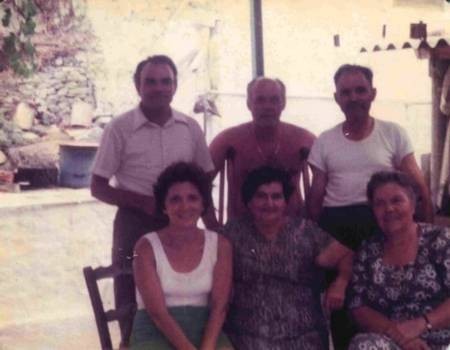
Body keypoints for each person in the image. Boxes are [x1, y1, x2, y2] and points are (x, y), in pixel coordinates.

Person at [307, 64, 434, 349]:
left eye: (360, 90)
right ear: (337, 98)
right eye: (346, 92)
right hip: (337, 228)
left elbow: (417, 185)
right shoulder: (325, 141)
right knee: (341, 308)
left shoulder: (393, 133)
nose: (353, 97)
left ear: (372, 93)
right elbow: (315, 198)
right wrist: (319, 240)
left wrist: (424, 230)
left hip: (382, 224)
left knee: (387, 299)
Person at [90, 55, 214, 342]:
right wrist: (142, 202)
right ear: (138, 86)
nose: (159, 88)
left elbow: (204, 180)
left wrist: (213, 226)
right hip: (135, 223)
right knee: (131, 303)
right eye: (151, 82)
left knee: (183, 295)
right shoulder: (119, 128)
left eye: (166, 81)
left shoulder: (189, 128)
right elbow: (98, 186)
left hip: (182, 225)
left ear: (175, 86)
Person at [220, 166, 352, 349]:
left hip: (302, 334)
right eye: (261, 196)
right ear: (249, 201)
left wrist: (341, 282)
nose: (269, 203)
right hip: (246, 335)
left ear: (285, 202)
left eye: (276, 196)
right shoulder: (232, 233)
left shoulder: (305, 232)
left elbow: (346, 255)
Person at [130, 162, 233, 349]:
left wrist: (207, 347)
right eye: (175, 199)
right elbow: (157, 313)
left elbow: (219, 307)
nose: (185, 206)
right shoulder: (145, 246)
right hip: (154, 330)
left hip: (205, 330)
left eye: (193, 198)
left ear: (203, 204)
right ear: (164, 206)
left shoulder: (220, 245)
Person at [348, 171, 450, 350]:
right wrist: (400, 336)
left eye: (396, 200)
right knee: (364, 345)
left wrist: (422, 324)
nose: (389, 209)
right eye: (380, 203)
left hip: (443, 336)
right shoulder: (368, 251)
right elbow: (358, 307)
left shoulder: (440, 240)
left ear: (412, 205)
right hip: (392, 341)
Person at [206, 77, 315, 227]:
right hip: (241, 232)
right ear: (249, 103)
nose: (267, 106)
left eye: (274, 100)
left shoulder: (303, 140)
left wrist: (314, 226)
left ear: (283, 103)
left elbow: (327, 184)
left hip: (293, 229)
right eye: (260, 100)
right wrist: (214, 230)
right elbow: (200, 184)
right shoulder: (228, 140)